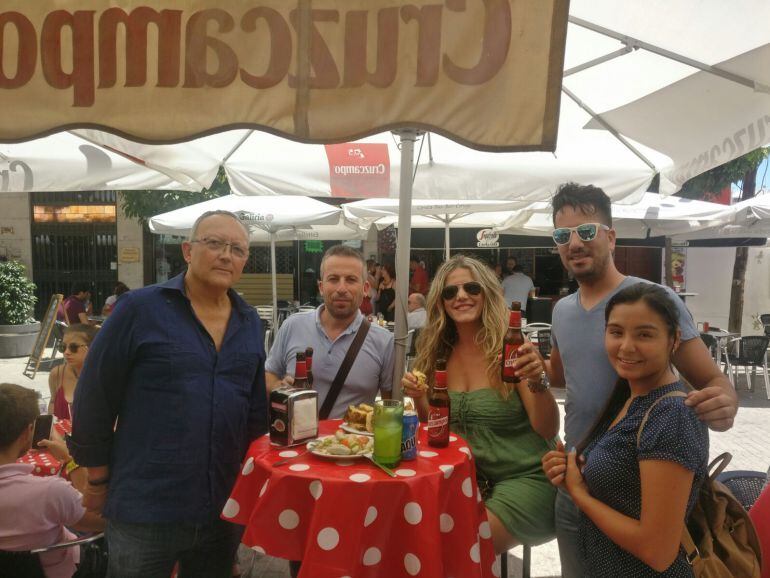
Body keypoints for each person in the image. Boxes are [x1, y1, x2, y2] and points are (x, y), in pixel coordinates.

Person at [541, 183, 738, 578]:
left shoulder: (652, 299)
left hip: (630, 487)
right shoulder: (561, 310)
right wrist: (536, 371)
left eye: (587, 231)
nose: (574, 243)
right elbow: (563, 376)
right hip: (575, 478)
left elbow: (713, 380)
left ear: (611, 237)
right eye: (563, 235)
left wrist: (726, 403)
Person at [68, 210, 268, 578]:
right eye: (215, 243)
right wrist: (96, 478)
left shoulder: (250, 321)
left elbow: (254, 414)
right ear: (188, 251)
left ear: (244, 261)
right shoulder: (139, 310)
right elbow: (94, 398)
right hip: (146, 508)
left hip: (222, 507)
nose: (226, 254)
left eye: (237, 249)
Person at [543, 283, 709, 576]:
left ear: (674, 339)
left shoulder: (672, 415)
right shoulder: (629, 395)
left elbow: (657, 551)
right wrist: (574, 468)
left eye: (644, 334)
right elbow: (625, 478)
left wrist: (579, 493)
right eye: (616, 332)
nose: (626, 346)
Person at [402, 254, 559, 554]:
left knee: (458, 548)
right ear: (440, 302)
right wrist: (419, 396)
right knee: (406, 529)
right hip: (465, 480)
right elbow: (434, 428)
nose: (461, 296)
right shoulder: (438, 352)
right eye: (450, 292)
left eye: (471, 289)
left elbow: (548, 427)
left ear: (486, 293)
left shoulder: (511, 348)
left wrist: (538, 379)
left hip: (527, 477)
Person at [266, 245, 394, 418]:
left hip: (354, 443)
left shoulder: (384, 342)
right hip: (295, 442)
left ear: (365, 288)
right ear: (321, 286)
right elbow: (269, 375)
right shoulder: (292, 326)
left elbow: (390, 407)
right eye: (333, 279)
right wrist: (280, 389)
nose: (341, 288)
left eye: (350, 279)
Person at [0, 383, 105, 578]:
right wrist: (70, 461)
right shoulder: (50, 492)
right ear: (27, 433)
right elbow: (103, 519)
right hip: (62, 569)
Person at [48, 324, 99, 421]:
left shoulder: (102, 376)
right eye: (63, 347)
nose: (66, 352)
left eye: (73, 347)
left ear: (91, 347)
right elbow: (53, 402)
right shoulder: (57, 373)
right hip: (61, 435)